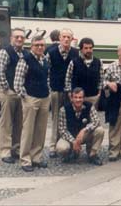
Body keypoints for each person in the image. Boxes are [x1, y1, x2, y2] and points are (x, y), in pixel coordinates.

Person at [14, 35, 51, 172]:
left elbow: (47, 78)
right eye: (37, 45)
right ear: (31, 47)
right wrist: (25, 97)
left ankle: (36, 157)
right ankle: (25, 159)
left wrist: (48, 91)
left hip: (44, 98)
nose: (40, 47)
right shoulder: (25, 60)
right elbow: (18, 81)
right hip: (31, 97)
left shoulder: (45, 59)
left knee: (40, 130)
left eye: (42, 45)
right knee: (28, 130)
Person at [0, 28, 27, 164]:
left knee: (20, 122)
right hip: (9, 92)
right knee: (7, 122)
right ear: (11, 38)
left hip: (21, 93)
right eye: (16, 37)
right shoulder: (4, 52)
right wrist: (6, 89)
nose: (19, 39)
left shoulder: (25, 53)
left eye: (21, 37)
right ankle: (5, 151)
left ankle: (16, 148)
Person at [47, 28, 79, 158]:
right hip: (57, 89)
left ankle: (71, 145)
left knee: (71, 117)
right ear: (59, 38)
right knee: (56, 118)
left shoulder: (76, 53)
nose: (66, 39)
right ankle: (53, 146)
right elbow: (47, 71)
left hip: (71, 92)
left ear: (72, 39)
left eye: (68, 37)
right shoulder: (51, 52)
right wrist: (50, 87)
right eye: (64, 37)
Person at [57, 87, 104, 165]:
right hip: (70, 136)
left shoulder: (89, 106)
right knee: (61, 148)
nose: (78, 100)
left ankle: (92, 154)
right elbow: (62, 130)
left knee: (100, 130)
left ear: (83, 98)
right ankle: (70, 153)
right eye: (75, 97)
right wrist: (74, 141)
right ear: (71, 98)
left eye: (80, 97)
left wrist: (84, 130)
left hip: (84, 135)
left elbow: (96, 121)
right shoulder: (63, 109)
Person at [65, 38, 104, 105]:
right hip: (77, 98)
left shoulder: (98, 62)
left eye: (90, 48)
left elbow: (101, 78)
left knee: (92, 115)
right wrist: (69, 93)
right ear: (81, 49)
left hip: (93, 97)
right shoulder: (74, 62)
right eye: (86, 48)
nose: (88, 50)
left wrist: (99, 93)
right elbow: (68, 79)